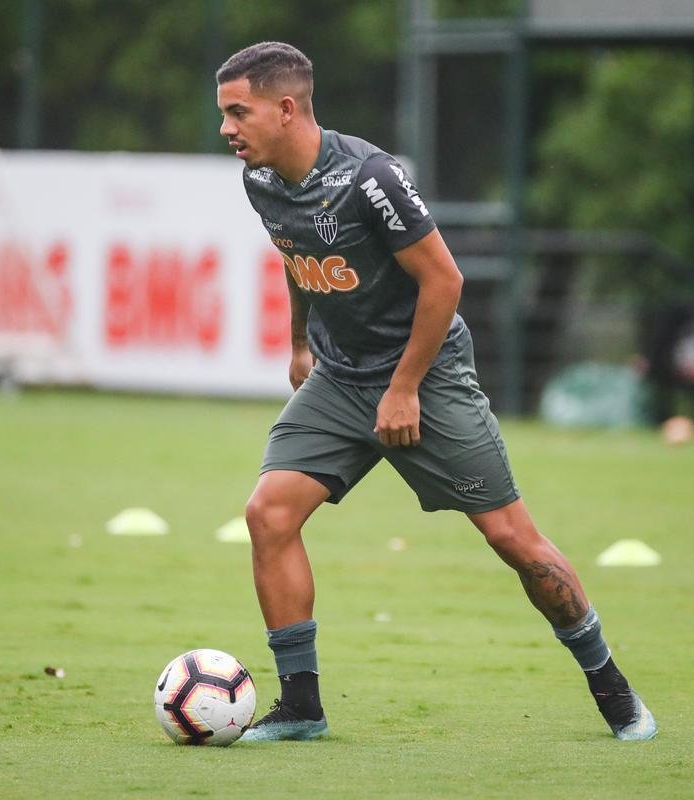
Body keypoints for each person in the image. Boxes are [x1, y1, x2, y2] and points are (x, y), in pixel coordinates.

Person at [216, 41, 656, 743]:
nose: (227, 129)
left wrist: (405, 387)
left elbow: (444, 282)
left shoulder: (371, 179)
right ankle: (302, 707)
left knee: (512, 537)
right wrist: (301, 342)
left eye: (238, 112)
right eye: (225, 114)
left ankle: (612, 687)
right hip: (339, 377)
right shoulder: (262, 180)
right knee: (269, 513)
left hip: (425, 376)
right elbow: (298, 259)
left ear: (286, 108)